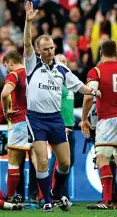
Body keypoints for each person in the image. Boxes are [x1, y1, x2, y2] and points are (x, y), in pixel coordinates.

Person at [23, 1, 101, 212]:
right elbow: (26, 45)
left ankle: (57, 193)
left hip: (56, 118)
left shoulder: (62, 70)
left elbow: (79, 87)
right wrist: (28, 23)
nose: (49, 51)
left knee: (65, 163)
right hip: (36, 118)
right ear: (38, 51)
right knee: (41, 161)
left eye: (51, 48)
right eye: (45, 49)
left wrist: (93, 91)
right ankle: (47, 199)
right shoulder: (32, 64)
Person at [81, 40, 117, 210]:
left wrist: (84, 118)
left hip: (107, 120)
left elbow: (89, 96)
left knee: (102, 158)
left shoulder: (96, 71)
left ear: (100, 53)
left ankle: (105, 200)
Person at [0, 51, 37, 203]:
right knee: (38, 160)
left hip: (20, 120)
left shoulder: (14, 75)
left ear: (10, 62)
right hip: (37, 120)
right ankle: (45, 197)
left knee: (14, 161)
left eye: (6, 65)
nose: (7, 68)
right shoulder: (33, 72)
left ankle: (9, 196)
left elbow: (4, 94)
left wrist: (5, 110)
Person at [48, 54, 75, 203]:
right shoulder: (54, 81)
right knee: (57, 162)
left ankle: (63, 194)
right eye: (60, 61)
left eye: (65, 61)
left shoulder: (70, 82)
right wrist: (60, 125)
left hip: (70, 126)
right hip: (60, 126)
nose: (63, 63)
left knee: (68, 162)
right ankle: (54, 195)